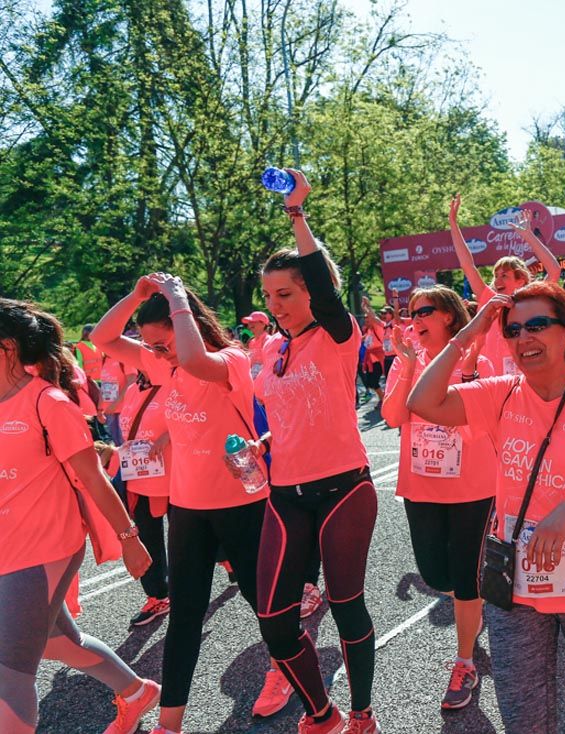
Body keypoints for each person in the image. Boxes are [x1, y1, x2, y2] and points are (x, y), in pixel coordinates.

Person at [407, 281, 565, 734]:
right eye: (513, 330)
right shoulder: (499, 394)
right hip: (516, 585)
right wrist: (468, 334)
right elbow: (423, 402)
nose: (523, 339)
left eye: (537, 325)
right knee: (522, 715)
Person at [227, 169, 381, 734]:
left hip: (344, 489)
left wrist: (297, 211)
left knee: (346, 607)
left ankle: (361, 711)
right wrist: (259, 445)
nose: (278, 304)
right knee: (273, 620)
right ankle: (323, 711)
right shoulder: (272, 348)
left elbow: (322, 281)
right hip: (284, 494)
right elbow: (288, 414)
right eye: (270, 296)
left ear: (313, 292)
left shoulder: (340, 337)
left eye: (286, 294)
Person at [91, 273, 273, 734]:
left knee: (265, 603)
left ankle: (287, 671)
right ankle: (169, 724)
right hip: (188, 509)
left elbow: (192, 355)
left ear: (186, 322)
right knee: (185, 617)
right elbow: (102, 337)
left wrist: (175, 296)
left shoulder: (230, 359)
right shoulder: (162, 365)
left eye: (162, 343)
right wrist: (135, 296)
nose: (157, 353)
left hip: (241, 505)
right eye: (150, 347)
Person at [0, 299, 158, 734]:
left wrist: (130, 538)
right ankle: (137, 691)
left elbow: (94, 478)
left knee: (8, 669)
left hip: (43, 547)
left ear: (7, 347)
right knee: (56, 642)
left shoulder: (48, 402)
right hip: (6, 545)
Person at [380, 285, 494, 711]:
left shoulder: (477, 358)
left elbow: (480, 422)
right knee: (436, 575)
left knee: (464, 577)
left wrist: (465, 369)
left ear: (448, 315)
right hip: (422, 487)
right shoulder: (406, 362)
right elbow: (393, 416)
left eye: (423, 311)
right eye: (410, 313)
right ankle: (472, 608)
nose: (415, 320)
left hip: (472, 488)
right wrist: (408, 367)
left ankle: (464, 661)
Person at [449, 193, 561, 376]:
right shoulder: (488, 300)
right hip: (490, 385)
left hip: (525, 382)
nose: (497, 280)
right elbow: (467, 265)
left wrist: (528, 235)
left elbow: (554, 270)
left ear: (521, 280)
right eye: (496, 275)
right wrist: (453, 224)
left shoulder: (532, 301)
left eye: (505, 275)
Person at [117, 369, 173, 627]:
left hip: (177, 476)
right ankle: (158, 595)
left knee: (190, 540)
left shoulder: (175, 382)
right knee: (148, 538)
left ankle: (224, 560)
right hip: (140, 477)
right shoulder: (132, 390)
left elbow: (198, 419)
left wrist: (168, 435)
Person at [242, 311, 274, 379]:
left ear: (263, 324)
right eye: (249, 322)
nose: (249, 325)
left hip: (264, 378)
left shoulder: (268, 340)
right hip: (253, 377)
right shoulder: (251, 342)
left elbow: (270, 364)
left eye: (253, 322)